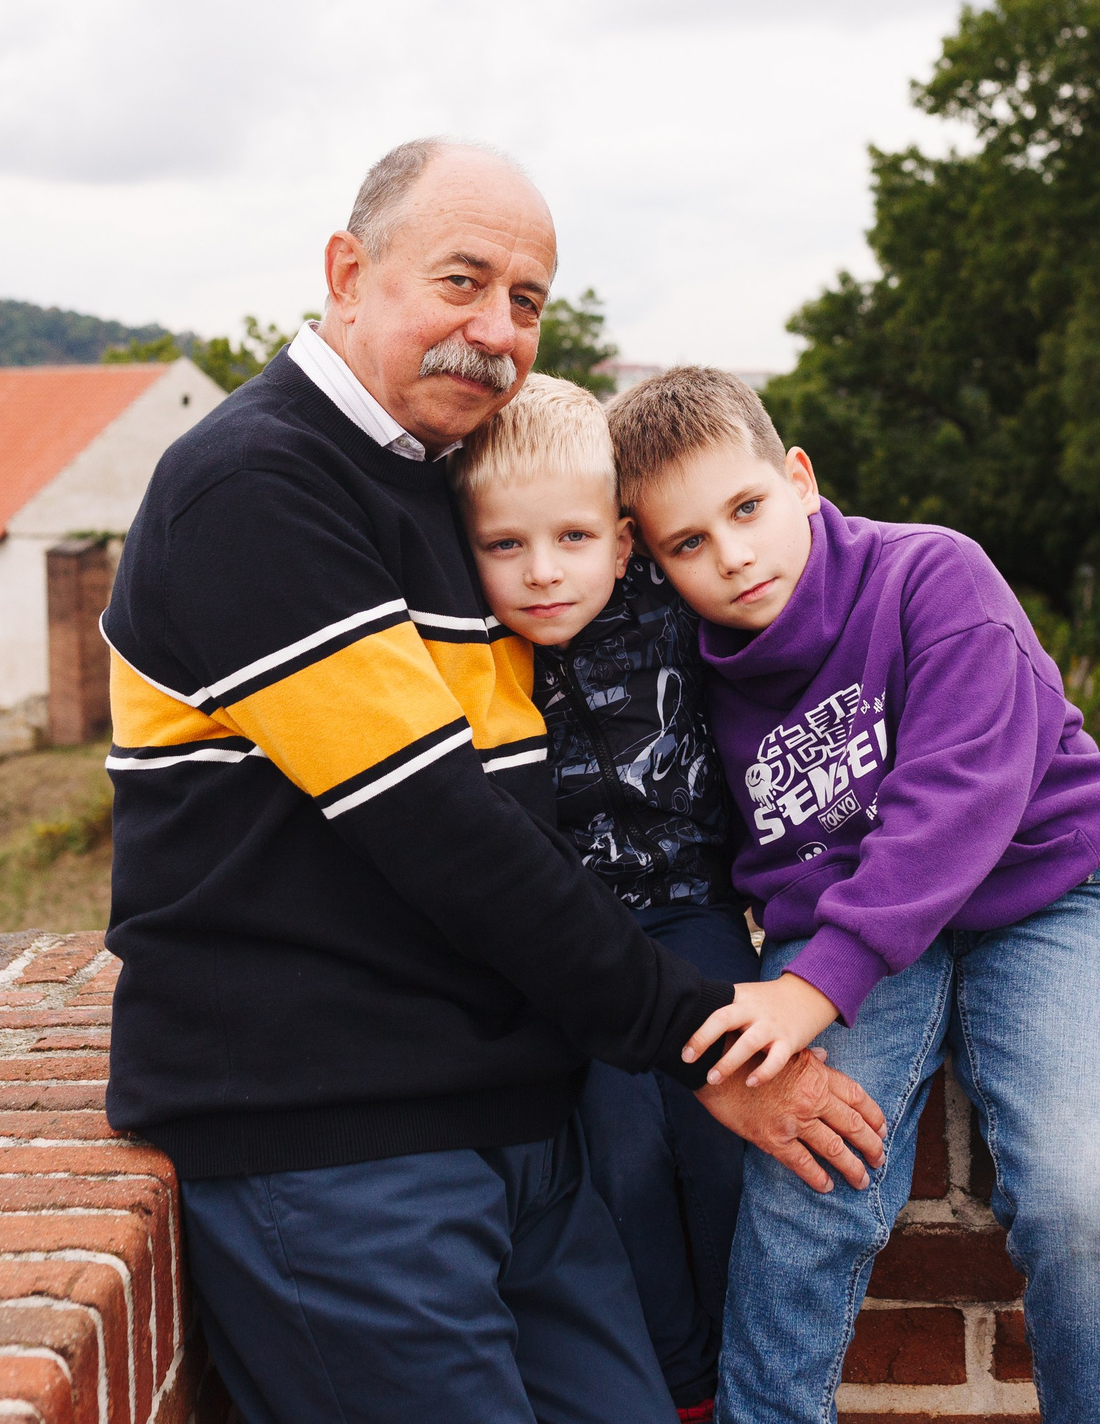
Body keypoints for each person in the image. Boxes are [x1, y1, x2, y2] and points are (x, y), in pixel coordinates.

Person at [99, 141, 886, 1424]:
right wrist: (705, 1044)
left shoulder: (448, 485)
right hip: (339, 1138)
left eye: (526, 300)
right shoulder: (255, 485)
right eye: (461, 280)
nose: (495, 330)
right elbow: (443, 829)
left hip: (517, 1126)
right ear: (346, 273)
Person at [611, 367, 1100, 1424]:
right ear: (655, 558)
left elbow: (960, 797)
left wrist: (812, 987)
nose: (732, 555)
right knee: (804, 1181)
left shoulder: (932, 575)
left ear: (798, 477)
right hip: (839, 915)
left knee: (1083, 1197)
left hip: (1039, 895)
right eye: (688, 543)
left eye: (746, 508)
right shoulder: (686, 668)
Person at [456, 375, 756, 1421]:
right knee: (621, 1158)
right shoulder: (474, 651)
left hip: (690, 907)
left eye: (574, 538)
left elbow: (768, 549)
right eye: (505, 544)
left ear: (624, 542)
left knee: (727, 1145)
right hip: (570, 942)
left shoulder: (676, 608)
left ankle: (745, 1366)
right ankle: (679, 1388)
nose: (543, 571)